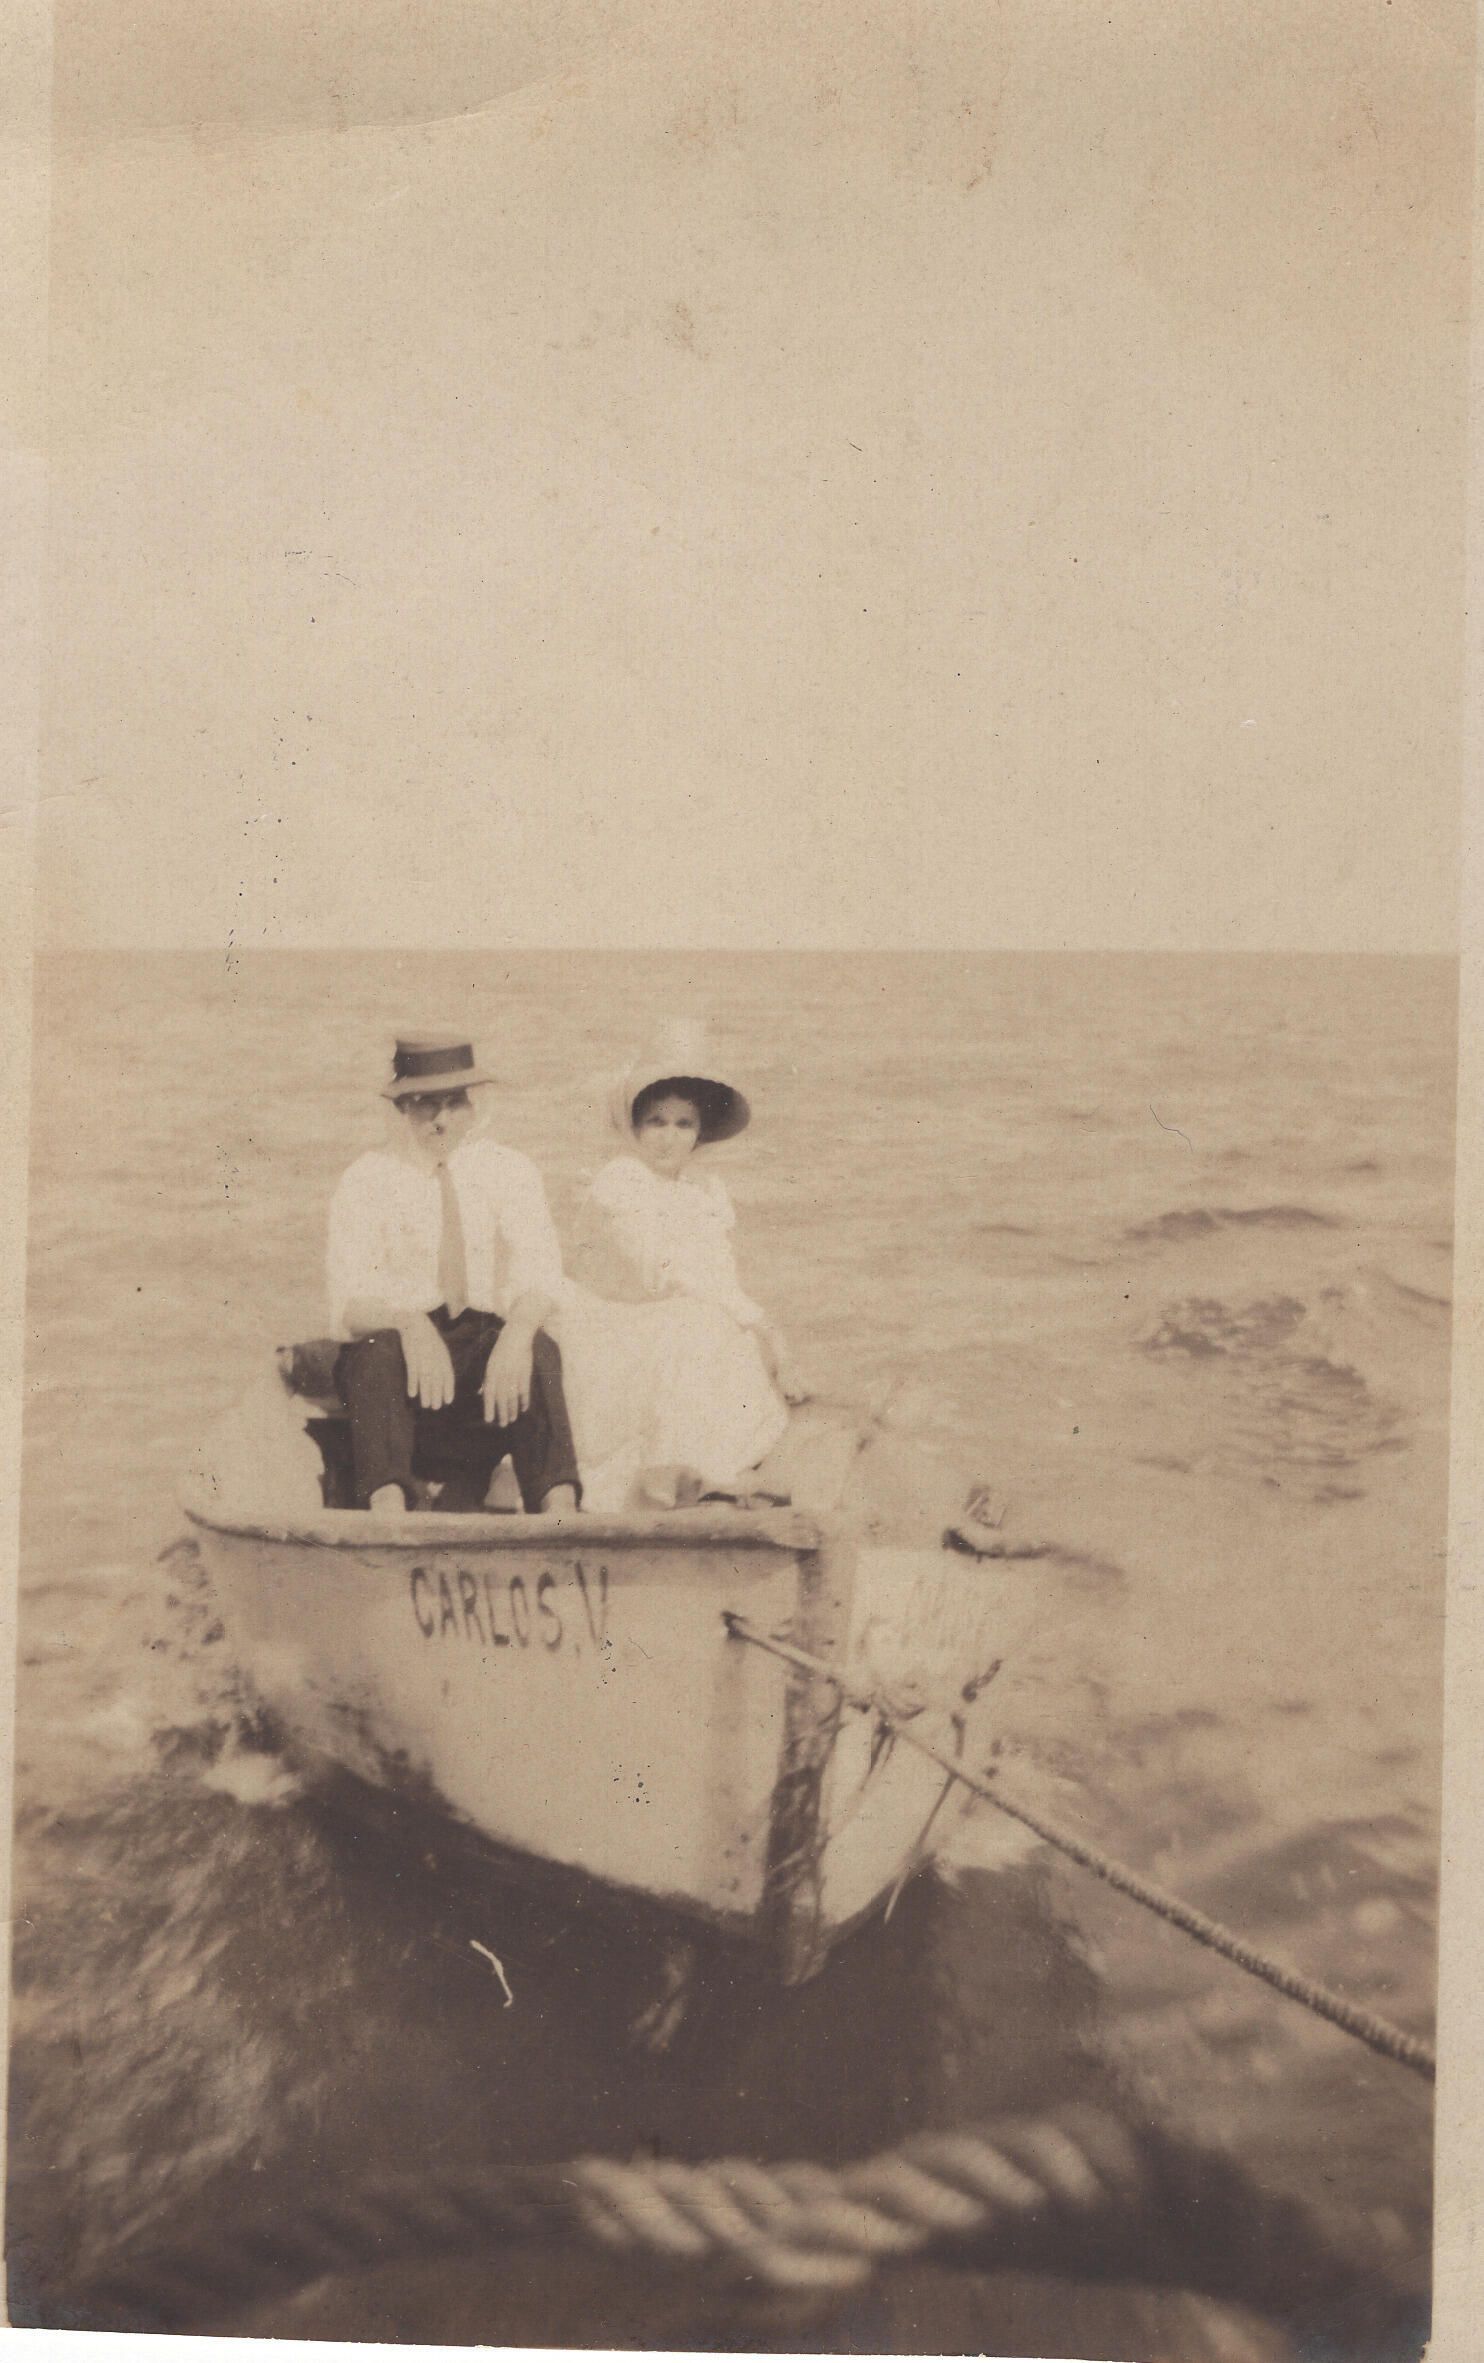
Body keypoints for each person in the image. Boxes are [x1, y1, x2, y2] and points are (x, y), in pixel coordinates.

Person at [327, 1033, 581, 1516]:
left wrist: (517, 1334)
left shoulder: (508, 1169)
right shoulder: (367, 1178)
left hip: (477, 1356)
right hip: (402, 1360)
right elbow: (349, 1306)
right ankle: (389, 1511)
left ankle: (559, 1511)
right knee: (375, 1354)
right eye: (425, 1104)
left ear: (471, 1106)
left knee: (539, 1348)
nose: (441, 1119)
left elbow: (541, 1271)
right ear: (402, 1107)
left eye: (453, 1103)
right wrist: (409, 1323)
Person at [554, 1023, 796, 1510]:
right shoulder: (621, 1180)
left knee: (719, 1330)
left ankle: (713, 1471)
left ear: (699, 1132)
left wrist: (762, 1331)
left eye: (684, 1124)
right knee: (697, 1323)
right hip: (610, 1328)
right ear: (635, 1126)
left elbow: (721, 1278)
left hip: (671, 1323)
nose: (669, 1137)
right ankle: (672, 1476)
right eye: (656, 1122)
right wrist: (761, 1325)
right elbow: (658, 1271)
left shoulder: (704, 1193)